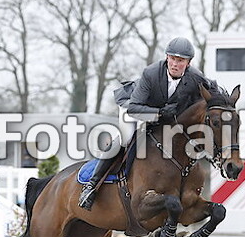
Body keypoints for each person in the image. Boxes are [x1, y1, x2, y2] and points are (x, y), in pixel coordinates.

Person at [78, 36, 220, 211]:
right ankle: (91, 186)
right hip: (135, 108)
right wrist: (159, 113)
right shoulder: (151, 73)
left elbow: (213, 92)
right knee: (125, 138)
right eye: (173, 59)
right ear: (167, 57)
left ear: (188, 63)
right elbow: (135, 108)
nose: (175, 64)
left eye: (180, 60)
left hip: (165, 116)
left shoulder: (195, 78)